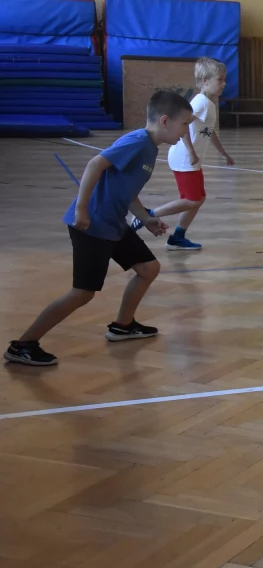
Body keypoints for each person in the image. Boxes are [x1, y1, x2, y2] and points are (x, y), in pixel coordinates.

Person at [4, 91, 192, 367]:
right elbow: (96, 164)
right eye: (184, 124)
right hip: (92, 225)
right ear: (165, 121)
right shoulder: (137, 141)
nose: (186, 130)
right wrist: (81, 209)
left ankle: (123, 326)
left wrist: (145, 217)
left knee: (148, 268)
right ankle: (23, 345)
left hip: (113, 224)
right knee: (82, 293)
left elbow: (126, 190)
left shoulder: (150, 148)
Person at [135, 57, 234, 251]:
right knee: (192, 199)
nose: (224, 84)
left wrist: (223, 153)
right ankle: (147, 215)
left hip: (191, 159)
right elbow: (184, 124)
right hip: (185, 159)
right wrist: (191, 152)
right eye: (220, 79)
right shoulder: (201, 102)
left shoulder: (209, 104)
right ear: (204, 81)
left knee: (198, 198)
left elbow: (208, 131)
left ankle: (178, 237)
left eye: (224, 79)